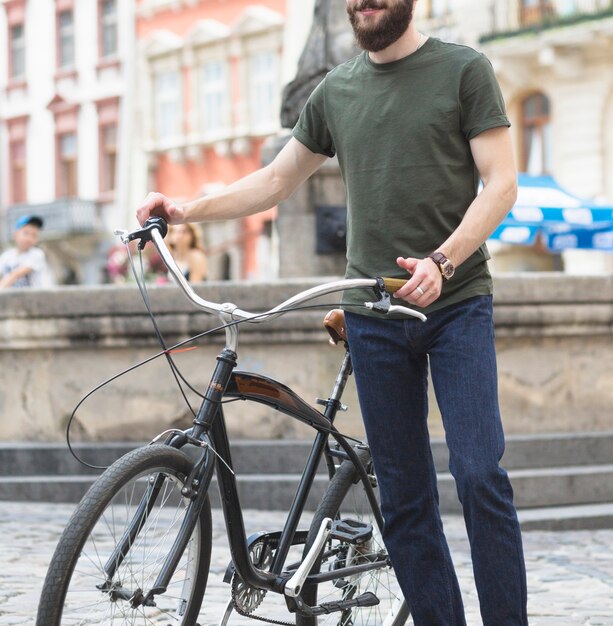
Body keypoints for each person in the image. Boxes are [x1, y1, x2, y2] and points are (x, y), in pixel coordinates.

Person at [137, 1, 527, 623]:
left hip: (454, 305)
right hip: (372, 313)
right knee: (403, 498)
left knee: (480, 475)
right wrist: (186, 210)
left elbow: (501, 183)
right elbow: (275, 181)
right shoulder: (336, 90)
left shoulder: (463, 69)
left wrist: (443, 261)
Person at [0, 215, 51, 289]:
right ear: (15, 235)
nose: (29, 238)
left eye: (34, 235)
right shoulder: (6, 256)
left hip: (33, 298)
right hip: (11, 298)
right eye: (26, 233)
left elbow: (16, 274)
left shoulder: (37, 254)